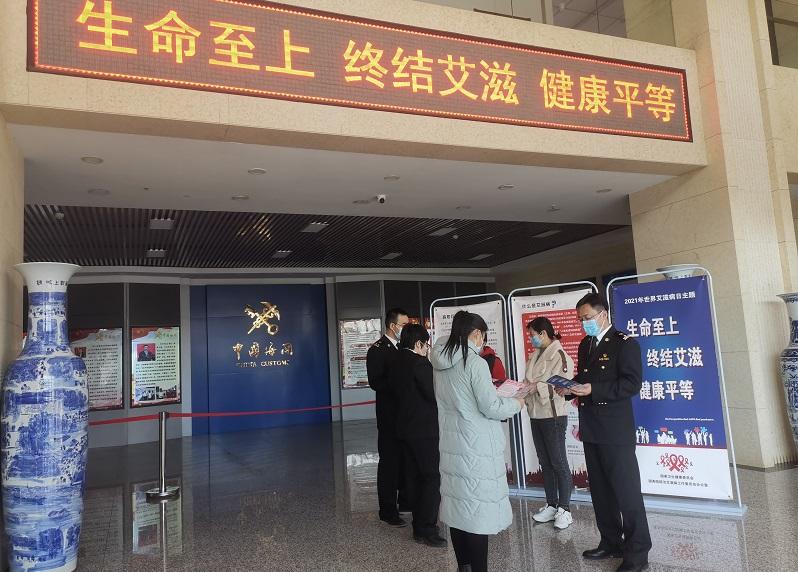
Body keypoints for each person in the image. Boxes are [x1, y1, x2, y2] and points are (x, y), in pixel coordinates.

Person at [559, 293, 651, 572]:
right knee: (600, 492)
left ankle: (638, 555)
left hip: (615, 431)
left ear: (603, 314)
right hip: (591, 429)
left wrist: (593, 390)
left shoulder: (625, 343)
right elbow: (585, 379)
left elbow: (632, 384)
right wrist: (568, 387)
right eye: (580, 319)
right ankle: (611, 542)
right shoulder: (586, 343)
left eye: (587, 318)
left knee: (626, 493)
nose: (584, 323)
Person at [430, 311, 524, 572]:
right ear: (476, 334)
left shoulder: (440, 361)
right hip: (476, 446)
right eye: (483, 335)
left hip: (452, 442)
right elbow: (490, 407)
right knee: (477, 513)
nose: (483, 341)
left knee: (458, 510)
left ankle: (464, 567)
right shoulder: (475, 363)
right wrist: (517, 403)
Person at [392, 324, 446, 548]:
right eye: (426, 345)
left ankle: (417, 527)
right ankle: (428, 528)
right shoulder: (420, 363)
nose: (427, 349)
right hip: (424, 431)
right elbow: (433, 395)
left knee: (413, 478)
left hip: (404, 429)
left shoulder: (395, 361)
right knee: (432, 478)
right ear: (418, 343)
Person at [523, 316, 575, 530]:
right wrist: (522, 389)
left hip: (553, 416)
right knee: (545, 462)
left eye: (533, 335)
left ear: (543, 333)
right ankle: (552, 504)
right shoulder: (534, 356)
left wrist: (537, 387)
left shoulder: (560, 355)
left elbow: (562, 386)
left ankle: (565, 509)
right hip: (536, 415)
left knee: (558, 462)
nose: (531, 339)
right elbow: (529, 382)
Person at [367, 307, 411, 527]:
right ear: (393, 326)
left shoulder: (404, 348)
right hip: (389, 416)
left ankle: (405, 501)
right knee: (389, 464)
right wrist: (400, 383)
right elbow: (376, 382)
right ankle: (387, 510)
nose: (406, 329)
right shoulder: (377, 350)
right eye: (404, 325)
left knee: (405, 460)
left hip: (407, 415)